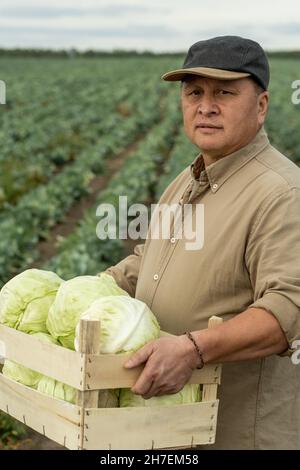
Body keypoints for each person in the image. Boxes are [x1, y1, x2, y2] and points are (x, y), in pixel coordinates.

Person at [105, 36, 300, 450]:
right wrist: (79, 291)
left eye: (224, 93)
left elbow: (287, 311)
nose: (205, 106)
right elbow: (150, 260)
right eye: (194, 92)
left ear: (261, 106)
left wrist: (193, 350)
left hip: (240, 434)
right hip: (175, 429)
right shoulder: (186, 180)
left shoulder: (282, 193)